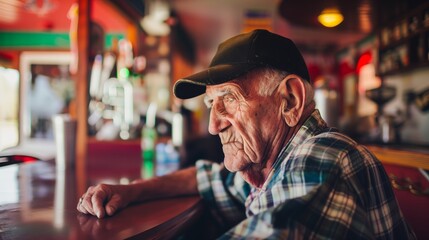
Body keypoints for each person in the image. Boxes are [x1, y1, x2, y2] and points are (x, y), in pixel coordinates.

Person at [77, 29, 415, 239]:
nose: (213, 125)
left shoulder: (324, 157)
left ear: (290, 100)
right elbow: (205, 179)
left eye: (229, 99)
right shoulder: (271, 167)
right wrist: (131, 191)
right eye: (211, 103)